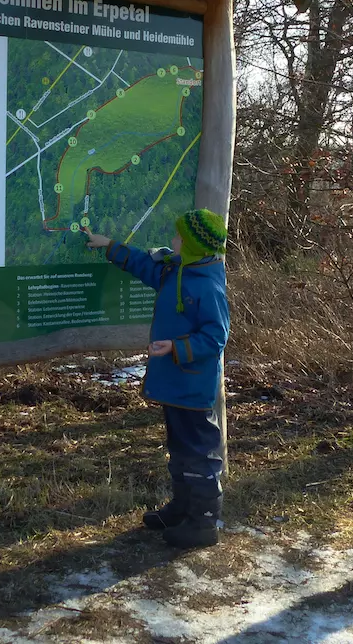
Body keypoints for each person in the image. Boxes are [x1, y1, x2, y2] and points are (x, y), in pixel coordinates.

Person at [85, 208, 230, 549]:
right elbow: (142, 264)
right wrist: (109, 246)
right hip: (175, 386)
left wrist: (176, 347)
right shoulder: (175, 272)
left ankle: (203, 524)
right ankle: (183, 507)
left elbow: (216, 337)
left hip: (193, 386)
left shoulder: (207, 286)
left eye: (179, 237)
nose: (173, 240)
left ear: (193, 244)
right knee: (180, 449)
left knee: (200, 452)